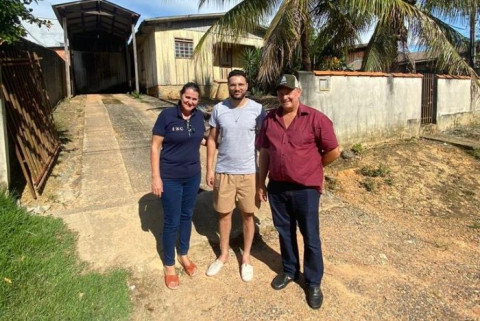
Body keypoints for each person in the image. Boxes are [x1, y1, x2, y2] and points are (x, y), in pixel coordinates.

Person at [256, 74, 340, 309]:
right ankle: (290, 270)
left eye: (289, 91)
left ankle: (313, 282)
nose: (285, 96)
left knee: (311, 237)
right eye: (281, 92)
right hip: (278, 188)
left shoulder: (315, 118)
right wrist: (260, 182)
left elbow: (333, 150)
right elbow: (265, 152)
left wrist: (313, 168)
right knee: (285, 232)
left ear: (298, 92)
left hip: (306, 190)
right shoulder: (270, 119)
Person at [205, 69, 266, 282]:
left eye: (241, 84)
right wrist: (209, 168)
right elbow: (212, 140)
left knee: (248, 215)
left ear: (247, 86)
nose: (237, 88)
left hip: (249, 172)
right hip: (224, 171)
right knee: (224, 214)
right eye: (233, 84)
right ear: (228, 86)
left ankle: (246, 258)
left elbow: (264, 144)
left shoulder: (258, 110)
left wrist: (262, 178)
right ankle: (223, 255)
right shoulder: (219, 109)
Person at [151, 82, 205, 290]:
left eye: (194, 99)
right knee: (172, 220)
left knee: (187, 215)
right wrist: (156, 177)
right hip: (170, 177)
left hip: (192, 176)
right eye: (187, 97)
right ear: (180, 96)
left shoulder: (199, 117)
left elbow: (201, 138)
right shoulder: (167, 116)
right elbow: (155, 147)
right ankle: (169, 264)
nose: (190, 102)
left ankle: (183, 254)